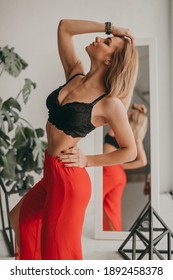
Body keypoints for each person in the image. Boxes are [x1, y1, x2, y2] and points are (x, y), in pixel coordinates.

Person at [9, 19, 138, 260]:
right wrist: (111, 29)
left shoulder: (109, 103)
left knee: (57, 256)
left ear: (109, 60)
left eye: (106, 43)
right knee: (19, 218)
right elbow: (64, 27)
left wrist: (88, 160)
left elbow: (130, 151)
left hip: (68, 181)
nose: (99, 39)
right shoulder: (75, 74)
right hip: (51, 172)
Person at [103, 103, 148, 231]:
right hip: (117, 173)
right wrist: (122, 166)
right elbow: (143, 161)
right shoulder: (133, 137)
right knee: (112, 208)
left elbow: (118, 106)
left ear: (130, 115)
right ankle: (114, 236)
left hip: (111, 171)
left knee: (94, 201)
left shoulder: (118, 127)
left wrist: (134, 106)